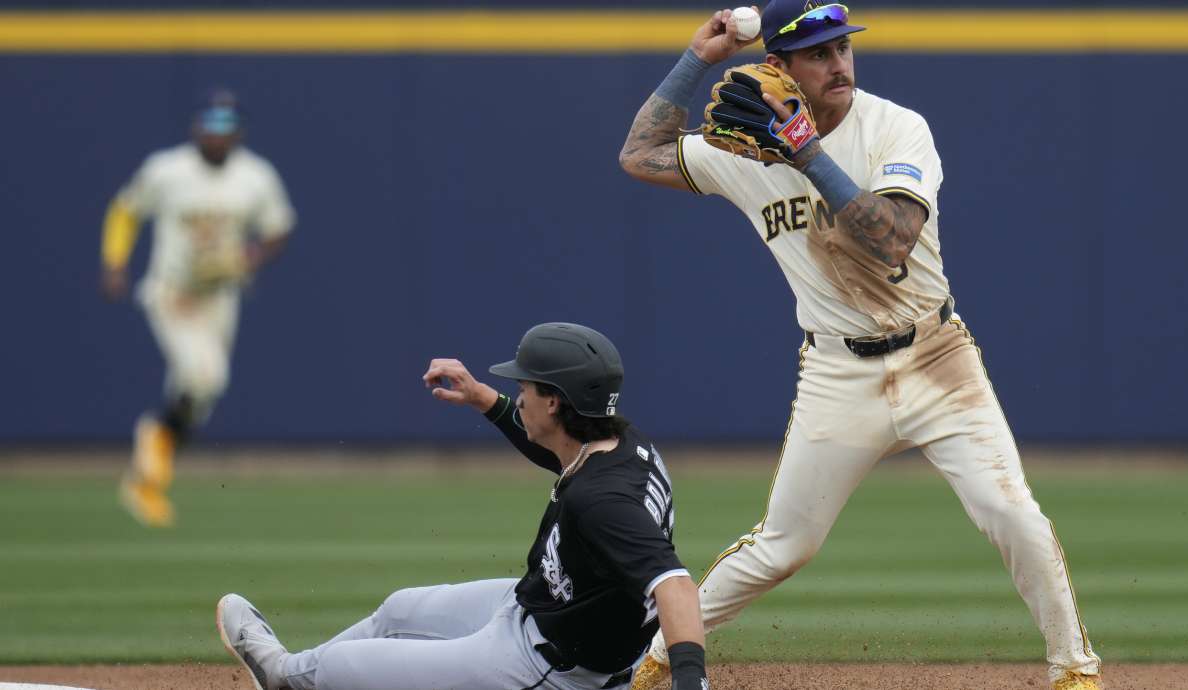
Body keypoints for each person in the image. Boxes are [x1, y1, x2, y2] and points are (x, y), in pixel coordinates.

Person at [617, 3, 1102, 689]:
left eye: (842, 47)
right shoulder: (743, 150)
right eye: (817, 53)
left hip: (937, 359)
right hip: (837, 371)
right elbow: (639, 154)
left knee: (1010, 512)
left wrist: (805, 152)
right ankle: (660, 656)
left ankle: (1075, 672)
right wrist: (698, 59)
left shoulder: (896, 128)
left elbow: (892, 238)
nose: (838, 62)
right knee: (784, 547)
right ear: (777, 69)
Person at [215, 323, 711, 690]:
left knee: (343, 671)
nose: (518, 396)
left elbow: (676, 586)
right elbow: (558, 450)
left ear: (556, 402)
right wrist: (484, 400)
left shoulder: (603, 501)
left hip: (549, 667)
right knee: (400, 610)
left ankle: (283, 678)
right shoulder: (621, 443)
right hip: (538, 609)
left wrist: (691, 683)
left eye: (525, 388)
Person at [101, 89, 295, 528]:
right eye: (210, 124)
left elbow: (278, 228)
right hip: (174, 292)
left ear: (238, 132)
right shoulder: (167, 170)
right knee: (205, 375)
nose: (217, 134)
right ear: (196, 127)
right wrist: (114, 263)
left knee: (201, 396)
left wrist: (250, 256)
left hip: (220, 295)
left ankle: (145, 472)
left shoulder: (255, 176)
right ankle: (149, 453)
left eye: (226, 126)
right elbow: (125, 210)